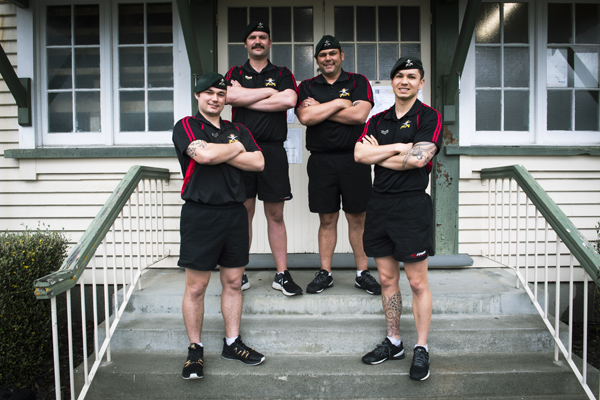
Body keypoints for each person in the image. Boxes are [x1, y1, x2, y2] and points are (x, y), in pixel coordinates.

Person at [172, 72, 266, 380]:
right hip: (200, 214)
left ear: (227, 99)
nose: (215, 98)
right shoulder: (186, 126)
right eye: (209, 93)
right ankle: (195, 350)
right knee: (197, 287)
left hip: (234, 214)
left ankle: (232, 343)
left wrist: (225, 150)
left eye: (221, 94)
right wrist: (237, 149)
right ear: (198, 96)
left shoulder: (238, 128)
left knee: (234, 283)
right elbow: (205, 155)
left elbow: (259, 163)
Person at [354, 57, 443, 381]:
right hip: (380, 206)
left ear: (421, 83)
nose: (404, 81)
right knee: (388, 280)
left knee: (417, 282)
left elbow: (420, 159)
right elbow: (360, 155)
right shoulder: (377, 120)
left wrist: (386, 154)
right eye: (399, 76)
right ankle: (394, 342)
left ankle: (421, 347)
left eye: (412, 76)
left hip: (411, 207)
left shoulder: (428, 116)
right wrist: (399, 148)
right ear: (392, 82)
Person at [296, 35, 381, 295]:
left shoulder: (358, 81)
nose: (328, 58)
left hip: (355, 158)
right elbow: (306, 117)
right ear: (317, 59)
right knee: (327, 218)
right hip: (321, 161)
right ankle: (325, 273)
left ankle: (362, 273)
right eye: (323, 55)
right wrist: (339, 103)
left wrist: (321, 109)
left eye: (333, 53)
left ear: (342, 55)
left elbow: (359, 115)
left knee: (358, 218)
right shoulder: (308, 85)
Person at [225, 21, 302, 296]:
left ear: (269, 43)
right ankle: (240, 271)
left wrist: (245, 99)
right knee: (243, 213)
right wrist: (270, 93)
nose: (258, 41)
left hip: (272, 151)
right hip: (240, 151)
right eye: (252, 37)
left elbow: (289, 100)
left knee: (275, 215)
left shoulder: (282, 73)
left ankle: (281, 274)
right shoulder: (234, 72)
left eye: (263, 37)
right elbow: (228, 96)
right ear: (245, 44)